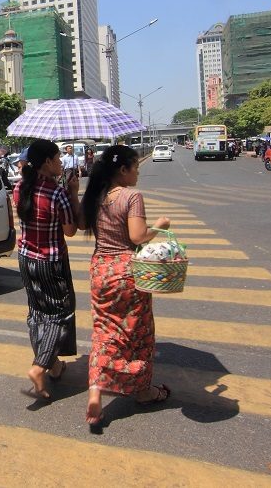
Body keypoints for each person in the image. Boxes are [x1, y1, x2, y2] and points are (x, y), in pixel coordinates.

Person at [79, 144, 172, 430]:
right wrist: (160, 225)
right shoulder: (131, 196)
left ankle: (96, 391)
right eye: (135, 167)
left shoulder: (94, 195)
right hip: (127, 273)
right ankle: (143, 391)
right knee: (137, 332)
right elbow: (137, 236)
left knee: (104, 331)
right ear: (123, 169)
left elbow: (81, 225)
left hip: (100, 271)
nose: (138, 172)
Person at [13, 139, 81, 400]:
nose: (61, 162)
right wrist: (73, 193)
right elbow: (71, 231)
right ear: (46, 163)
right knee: (58, 313)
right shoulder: (56, 194)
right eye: (57, 158)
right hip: (51, 262)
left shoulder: (20, 188)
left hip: (26, 259)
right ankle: (39, 367)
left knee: (37, 311)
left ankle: (53, 366)